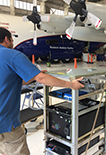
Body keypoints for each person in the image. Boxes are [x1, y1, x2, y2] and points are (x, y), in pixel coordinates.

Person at [0, 27, 84, 155]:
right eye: (12, 40)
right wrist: (70, 84)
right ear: (6, 39)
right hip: (6, 124)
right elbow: (42, 78)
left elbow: (10, 81)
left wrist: (34, 75)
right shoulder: (13, 55)